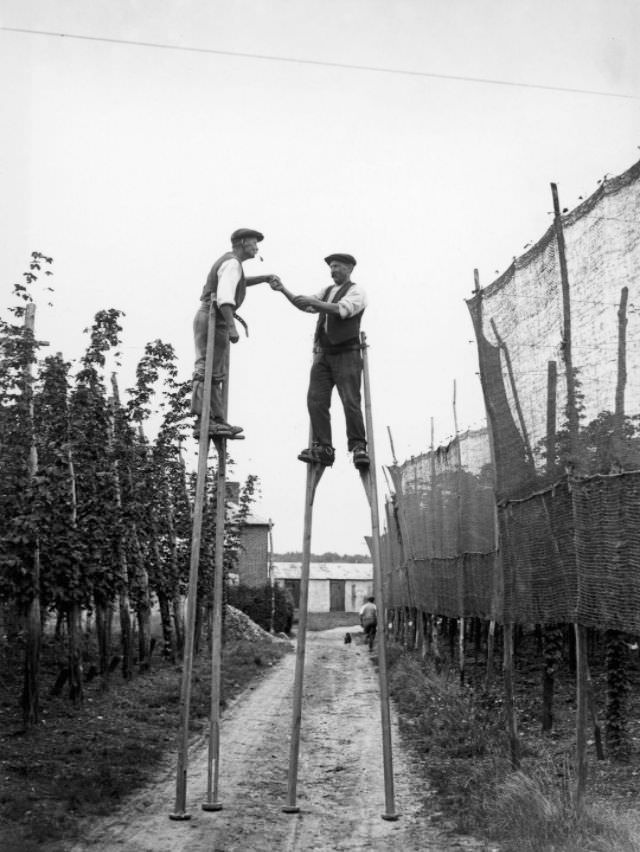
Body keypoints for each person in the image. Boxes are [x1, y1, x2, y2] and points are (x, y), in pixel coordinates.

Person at [269, 253, 369, 468]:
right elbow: (305, 305)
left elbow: (340, 310)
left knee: (350, 400)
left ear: (350, 268)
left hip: (346, 353)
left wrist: (314, 302)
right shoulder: (326, 291)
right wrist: (283, 290)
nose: (333, 271)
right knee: (315, 399)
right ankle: (324, 447)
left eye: (337, 266)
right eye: (331, 267)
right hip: (323, 354)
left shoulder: (356, 291)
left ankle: (358, 446)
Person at [192, 228, 279, 439]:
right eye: (253, 243)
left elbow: (237, 281)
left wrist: (264, 278)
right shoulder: (232, 263)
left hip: (215, 316)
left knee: (215, 369)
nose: (256, 248)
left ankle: (216, 419)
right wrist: (232, 326)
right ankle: (204, 418)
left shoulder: (232, 264)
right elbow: (224, 296)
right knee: (207, 366)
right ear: (241, 242)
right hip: (215, 316)